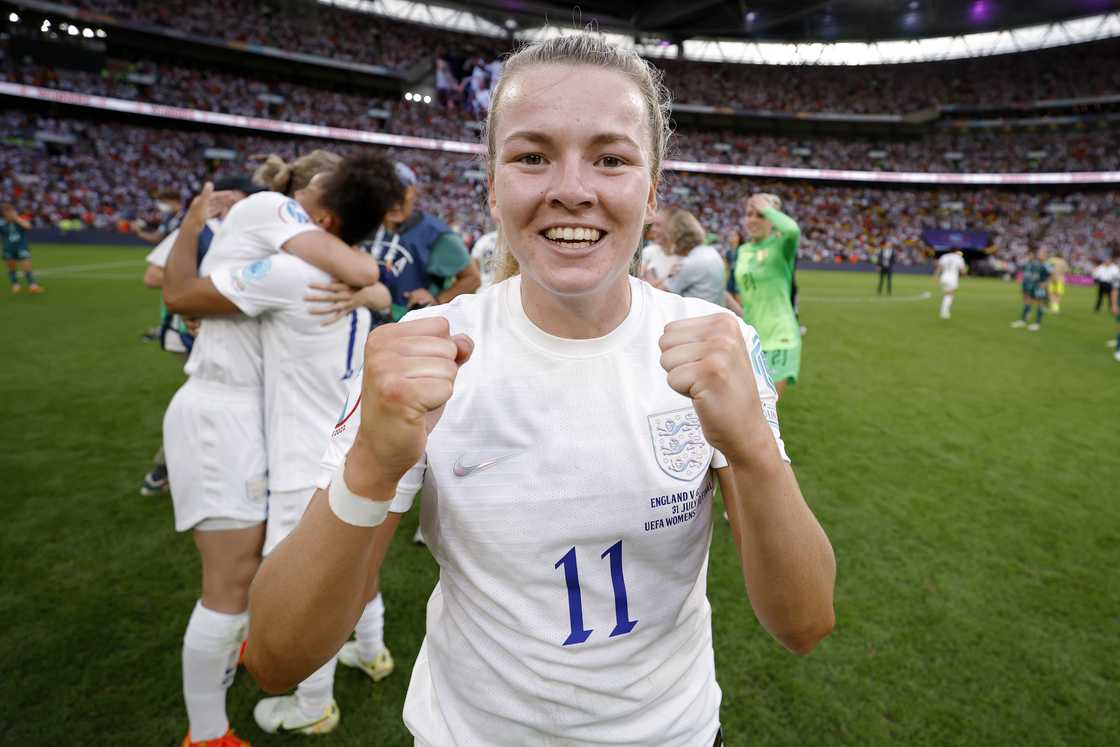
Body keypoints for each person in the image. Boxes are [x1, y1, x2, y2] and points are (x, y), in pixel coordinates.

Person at [246, 33, 836, 746]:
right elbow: (279, 658)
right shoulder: (428, 353)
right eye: (532, 156)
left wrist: (753, 454)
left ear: (651, 192)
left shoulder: (713, 344)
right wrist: (370, 465)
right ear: (492, 184)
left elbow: (803, 622)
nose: (572, 189)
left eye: (611, 158)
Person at [160, 151, 386, 747]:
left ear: (325, 222)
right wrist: (370, 289)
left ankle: (234, 717)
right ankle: (212, 726)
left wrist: (190, 226)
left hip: (268, 429)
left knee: (252, 580)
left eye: (317, 191)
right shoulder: (317, 261)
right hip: (247, 416)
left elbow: (178, 295)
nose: (305, 193)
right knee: (242, 579)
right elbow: (373, 281)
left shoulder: (291, 262)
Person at [139, 175, 263, 498]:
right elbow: (152, 275)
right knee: (212, 398)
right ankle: (167, 468)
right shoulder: (198, 230)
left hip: (223, 330)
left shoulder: (246, 235)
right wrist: (199, 289)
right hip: (191, 332)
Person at [730, 192, 802, 398]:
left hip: (780, 339)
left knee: (764, 411)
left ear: (772, 219)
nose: (752, 219)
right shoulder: (743, 251)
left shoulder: (781, 248)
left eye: (760, 215)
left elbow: (792, 230)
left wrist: (768, 209)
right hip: (752, 340)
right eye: (749, 214)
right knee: (742, 409)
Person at [646, 207, 726, 307]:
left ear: (676, 235)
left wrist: (651, 270)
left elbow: (656, 295)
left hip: (696, 318)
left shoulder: (689, 263)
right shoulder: (711, 252)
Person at [2, 203, 40, 294]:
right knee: (11, 267)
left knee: (27, 266)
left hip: (21, 247)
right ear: (4, 214)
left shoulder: (19, 221)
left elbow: (28, 226)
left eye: (10, 211)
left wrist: (16, 218)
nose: (9, 213)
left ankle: (32, 286)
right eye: (6, 211)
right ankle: (15, 285)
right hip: (8, 248)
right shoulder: (2, 224)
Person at [1011, 247, 1051, 331]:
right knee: (1027, 302)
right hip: (1033, 286)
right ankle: (1022, 321)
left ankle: (1037, 324)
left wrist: (1045, 283)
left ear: (1046, 255)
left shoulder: (1047, 265)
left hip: (1040, 287)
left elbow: (1051, 276)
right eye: (1039, 253)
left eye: (1041, 253)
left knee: (1040, 304)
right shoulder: (1036, 263)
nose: (1039, 254)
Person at [638, 204, 678, 283]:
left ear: (673, 228)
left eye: (658, 225)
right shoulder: (649, 251)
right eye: (653, 225)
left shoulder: (685, 258)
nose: (652, 229)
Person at [935, 250, 967, 320]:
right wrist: (965, 274)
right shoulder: (959, 258)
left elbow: (939, 267)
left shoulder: (944, 256)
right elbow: (962, 270)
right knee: (949, 294)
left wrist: (936, 276)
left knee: (947, 294)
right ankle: (944, 311)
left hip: (944, 277)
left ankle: (944, 310)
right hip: (952, 278)